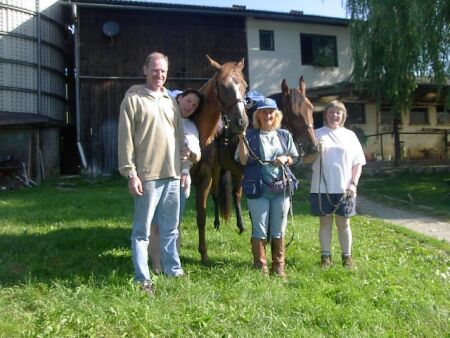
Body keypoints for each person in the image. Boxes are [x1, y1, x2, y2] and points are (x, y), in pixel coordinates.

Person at [118, 52, 186, 296]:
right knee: (142, 231)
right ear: (145, 69)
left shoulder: (170, 100)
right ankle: (142, 278)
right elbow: (125, 140)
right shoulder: (133, 100)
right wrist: (131, 173)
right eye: (155, 70)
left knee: (170, 228)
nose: (160, 75)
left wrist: (184, 168)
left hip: (172, 174)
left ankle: (173, 270)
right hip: (147, 176)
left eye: (164, 71)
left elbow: (179, 137)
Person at [235, 98, 299, 278]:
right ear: (258, 116)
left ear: (276, 115)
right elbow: (243, 160)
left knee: (279, 228)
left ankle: (279, 267)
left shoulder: (284, 135)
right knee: (260, 229)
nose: (268, 115)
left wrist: (285, 159)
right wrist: (241, 139)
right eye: (264, 112)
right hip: (258, 189)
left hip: (281, 189)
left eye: (271, 112)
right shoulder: (250, 135)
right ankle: (260, 267)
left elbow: (294, 157)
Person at [148, 89, 203, 274]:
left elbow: (197, 157)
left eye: (194, 105)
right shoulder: (161, 118)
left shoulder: (191, 127)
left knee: (174, 224)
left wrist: (191, 154)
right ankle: (156, 266)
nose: (190, 106)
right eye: (188, 101)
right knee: (155, 224)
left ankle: (172, 265)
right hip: (157, 176)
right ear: (178, 99)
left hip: (180, 179)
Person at [306, 100, 366, 269]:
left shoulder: (350, 136)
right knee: (325, 224)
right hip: (321, 188)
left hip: (344, 189)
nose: (335, 115)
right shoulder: (316, 134)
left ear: (343, 116)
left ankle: (347, 258)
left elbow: (358, 163)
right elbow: (305, 160)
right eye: (331, 112)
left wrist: (353, 184)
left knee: (344, 224)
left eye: (338, 113)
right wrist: (315, 150)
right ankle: (326, 258)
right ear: (325, 115)